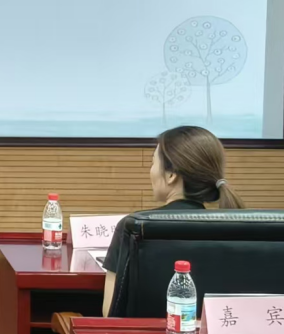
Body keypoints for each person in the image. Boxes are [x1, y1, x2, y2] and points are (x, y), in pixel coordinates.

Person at [102, 125, 244, 316]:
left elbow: (110, 313)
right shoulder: (236, 229)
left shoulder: (134, 227)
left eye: (153, 162)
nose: (151, 170)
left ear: (170, 175)